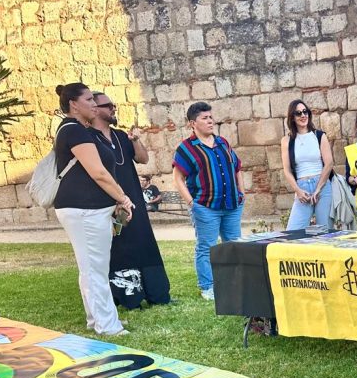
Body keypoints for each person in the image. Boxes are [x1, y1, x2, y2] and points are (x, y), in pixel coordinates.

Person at [52, 84, 135, 337]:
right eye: (89, 99)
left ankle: (97, 318)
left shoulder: (77, 130)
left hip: (87, 209)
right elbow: (98, 172)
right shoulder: (74, 131)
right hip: (84, 209)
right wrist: (123, 198)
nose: (94, 105)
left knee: (91, 267)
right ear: (73, 104)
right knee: (95, 268)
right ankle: (108, 325)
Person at [91, 92, 172, 309]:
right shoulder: (89, 138)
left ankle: (156, 292)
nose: (113, 108)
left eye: (113, 104)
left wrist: (135, 140)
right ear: (95, 109)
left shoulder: (119, 136)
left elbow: (143, 159)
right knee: (120, 245)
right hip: (111, 202)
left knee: (143, 241)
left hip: (134, 198)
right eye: (108, 105)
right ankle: (127, 296)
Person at [172, 102, 244, 301]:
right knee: (207, 247)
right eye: (205, 118)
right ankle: (208, 286)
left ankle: (233, 282)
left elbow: (237, 168)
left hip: (231, 205)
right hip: (205, 207)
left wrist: (241, 192)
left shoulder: (223, 142)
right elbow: (177, 178)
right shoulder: (186, 149)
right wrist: (191, 202)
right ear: (192, 123)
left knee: (233, 245)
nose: (210, 121)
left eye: (211, 117)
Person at [281, 99, 334, 231]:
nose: (303, 115)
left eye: (305, 112)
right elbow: (287, 170)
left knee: (325, 232)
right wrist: (298, 191)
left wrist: (318, 189)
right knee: (293, 232)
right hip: (302, 187)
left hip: (321, 185)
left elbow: (329, 164)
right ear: (292, 117)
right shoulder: (287, 140)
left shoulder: (319, 136)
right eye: (298, 113)